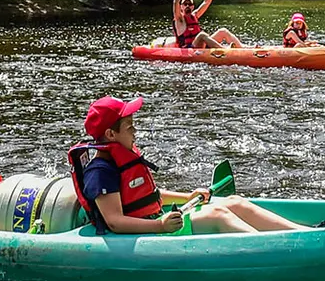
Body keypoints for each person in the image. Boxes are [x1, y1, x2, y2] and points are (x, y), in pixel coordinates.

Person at [67, 96, 310, 235]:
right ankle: (279, 249)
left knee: (234, 202)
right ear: (110, 134)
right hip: (141, 234)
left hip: (155, 219)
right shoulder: (100, 170)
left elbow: (149, 195)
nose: (135, 130)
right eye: (129, 126)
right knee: (217, 214)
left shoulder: (122, 155)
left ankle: (303, 234)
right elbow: (114, 221)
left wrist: (189, 196)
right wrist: (160, 226)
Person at [171, 0, 245, 50]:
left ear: (192, 7)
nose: (187, 6)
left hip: (200, 46)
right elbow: (175, 2)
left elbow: (206, 2)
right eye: (185, 4)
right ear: (181, 7)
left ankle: (243, 48)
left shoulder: (195, 16)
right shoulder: (180, 19)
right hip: (189, 48)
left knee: (223, 31)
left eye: (189, 4)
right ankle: (224, 50)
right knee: (202, 35)